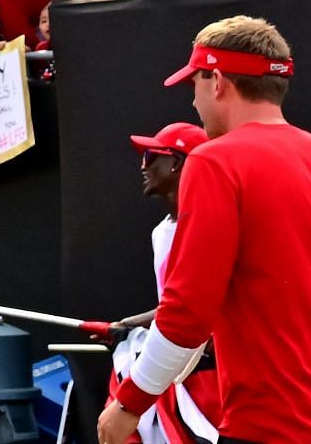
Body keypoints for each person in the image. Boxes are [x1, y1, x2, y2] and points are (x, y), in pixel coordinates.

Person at [99, 17, 311, 444]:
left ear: (216, 81)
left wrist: (128, 404)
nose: (193, 103)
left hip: (268, 421)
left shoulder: (215, 161)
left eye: (193, 84)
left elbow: (188, 312)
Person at [105, 124, 219, 444]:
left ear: (178, 163)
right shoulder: (161, 232)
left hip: (216, 379)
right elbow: (176, 306)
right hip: (181, 371)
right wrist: (127, 325)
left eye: (151, 156)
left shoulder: (213, 222)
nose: (143, 165)